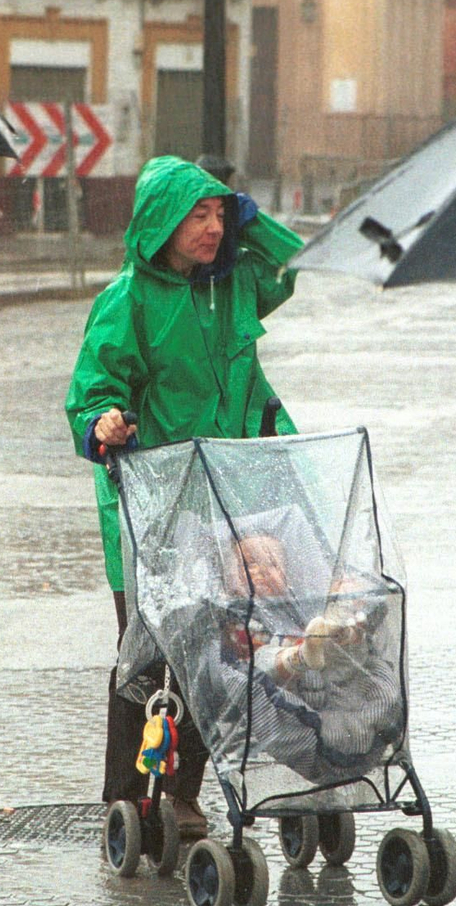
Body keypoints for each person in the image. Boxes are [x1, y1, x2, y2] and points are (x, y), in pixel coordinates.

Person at [65, 155, 304, 836]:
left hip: (224, 500)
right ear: (161, 222)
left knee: (217, 649)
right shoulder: (128, 300)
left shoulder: (232, 288)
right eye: (198, 215)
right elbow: (93, 389)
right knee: (146, 658)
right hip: (151, 508)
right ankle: (129, 798)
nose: (213, 228)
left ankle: (183, 794)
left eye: (220, 214)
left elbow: (288, 265)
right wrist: (104, 421)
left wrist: (249, 219)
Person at [201, 532, 401, 783]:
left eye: (273, 564)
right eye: (250, 565)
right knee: (260, 662)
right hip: (286, 689)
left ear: (288, 574)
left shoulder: (302, 605)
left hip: (330, 682)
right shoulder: (238, 616)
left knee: (350, 653)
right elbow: (239, 662)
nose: (262, 572)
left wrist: (348, 598)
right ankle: (302, 655)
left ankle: (341, 630)